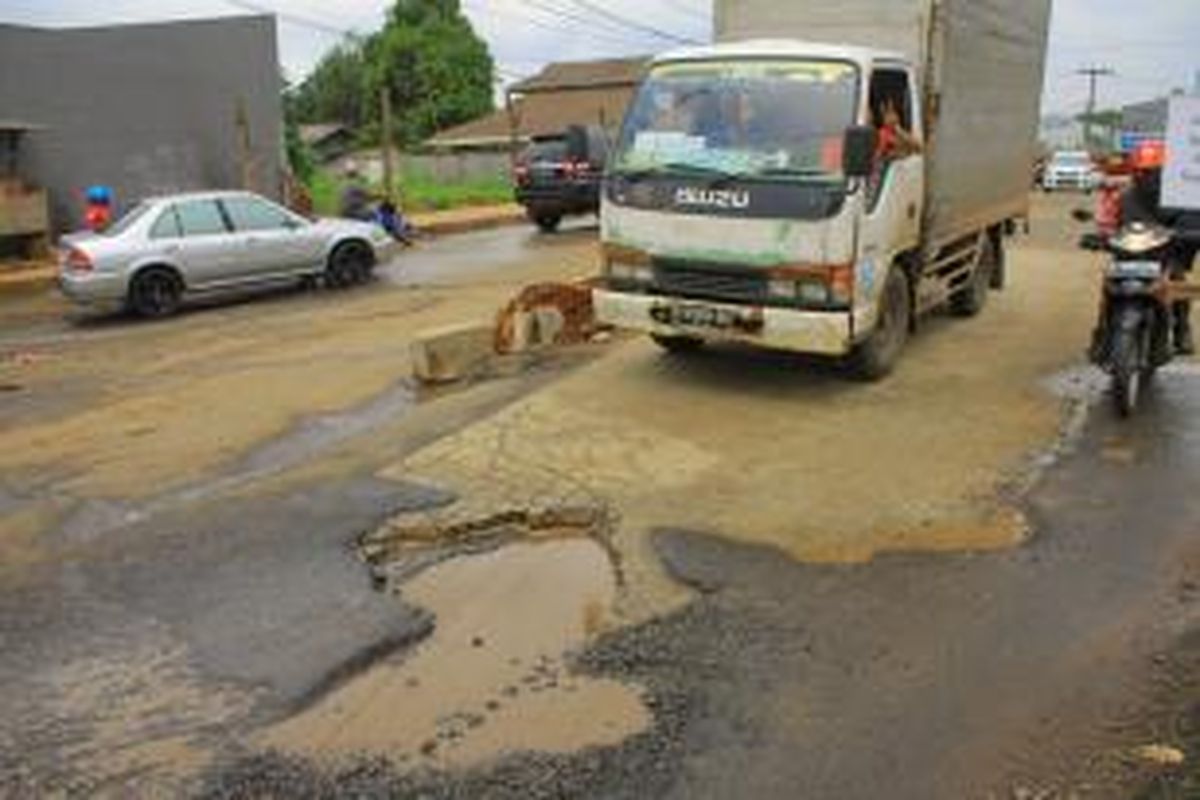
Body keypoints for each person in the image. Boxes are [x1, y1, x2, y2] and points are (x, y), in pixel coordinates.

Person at [1120, 139, 1194, 354]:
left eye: (1151, 171)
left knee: (1177, 279)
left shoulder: (1178, 198)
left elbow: (1188, 223)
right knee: (1108, 281)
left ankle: (1182, 330)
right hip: (1130, 255)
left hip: (1165, 256)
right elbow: (1111, 222)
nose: (1145, 177)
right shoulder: (1126, 197)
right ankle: (1102, 328)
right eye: (1141, 171)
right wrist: (1100, 234)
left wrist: (1185, 234)